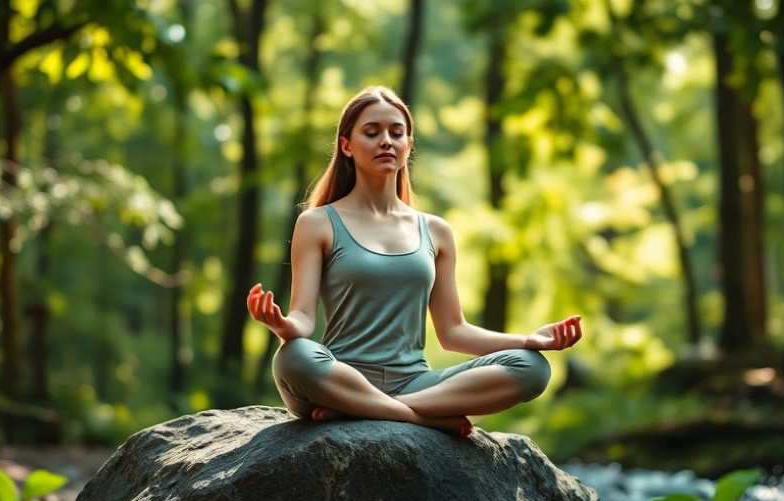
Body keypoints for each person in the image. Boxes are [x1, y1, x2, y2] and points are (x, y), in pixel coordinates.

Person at [247, 85, 583, 437]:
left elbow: (454, 332)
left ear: (408, 145)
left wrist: (529, 340)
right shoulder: (317, 223)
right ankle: (415, 416)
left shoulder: (435, 231)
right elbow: (302, 318)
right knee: (293, 356)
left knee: (532, 368)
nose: (386, 141)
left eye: (396, 133)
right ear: (346, 145)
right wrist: (282, 325)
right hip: (339, 377)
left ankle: (365, 410)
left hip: (414, 383)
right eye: (372, 132)